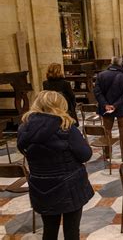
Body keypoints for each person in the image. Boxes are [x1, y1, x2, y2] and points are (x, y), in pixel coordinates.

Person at [17, 91, 94, 240]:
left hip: (41, 185)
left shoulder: (24, 128)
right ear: (60, 105)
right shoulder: (66, 127)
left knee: (49, 229)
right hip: (69, 185)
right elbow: (85, 155)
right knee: (71, 230)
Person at [93, 56, 123, 158]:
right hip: (120, 107)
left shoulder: (100, 75)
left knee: (107, 130)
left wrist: (105, 104)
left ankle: (107, 153)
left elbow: (97, 92)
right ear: (120, 64)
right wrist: (115, 105)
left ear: (111, 63)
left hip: (105, 108)